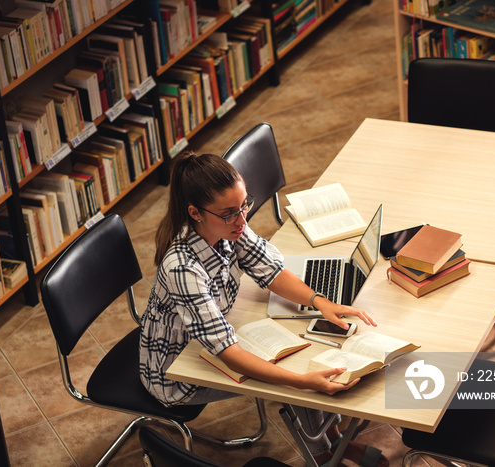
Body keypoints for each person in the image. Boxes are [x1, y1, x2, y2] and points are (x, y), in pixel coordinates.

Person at [139, 152, 388, 467]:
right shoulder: (182, 268)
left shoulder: (227, 227)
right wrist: (301, 383)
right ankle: (326, 457)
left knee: (303, 354)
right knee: (297, 377)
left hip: (208, 341)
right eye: (230, 213)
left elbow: (270, 270)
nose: (242, 219)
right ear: (195, 213)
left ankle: (334, 440)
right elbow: (228, 354)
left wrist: (322, 303)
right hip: (176, 374)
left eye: (244, 206)